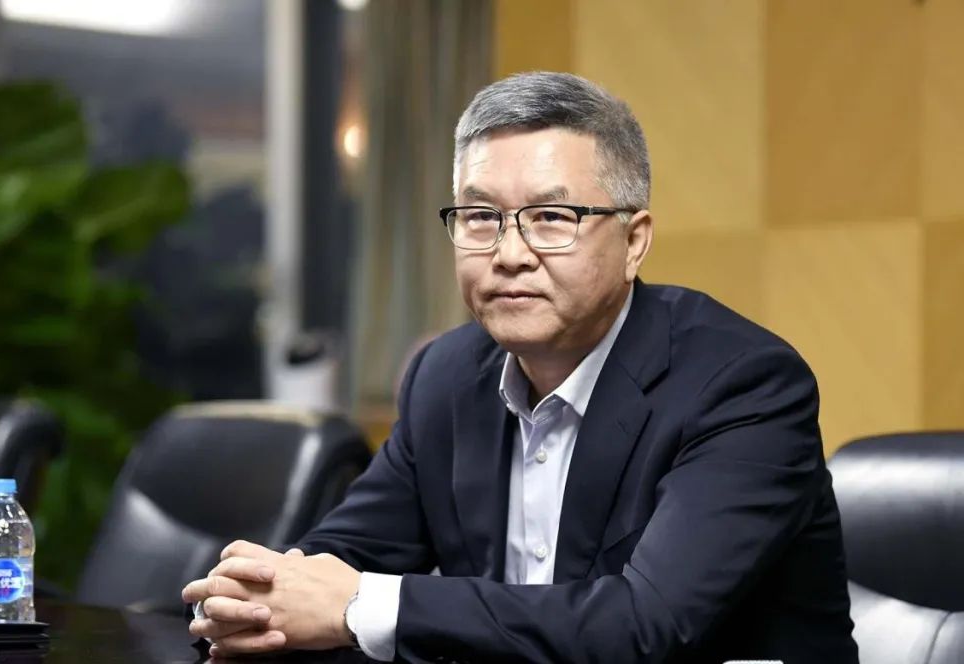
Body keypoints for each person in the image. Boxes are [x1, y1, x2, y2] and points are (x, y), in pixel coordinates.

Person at [183, 71, 859, 663]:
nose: (509, 254)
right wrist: (257, 600)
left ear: (634, 242)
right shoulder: (446, 375)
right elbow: (345, 556)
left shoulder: (743, 384)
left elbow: (644, 627)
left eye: (551, 217)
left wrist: (363, 605)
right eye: (481, 216)